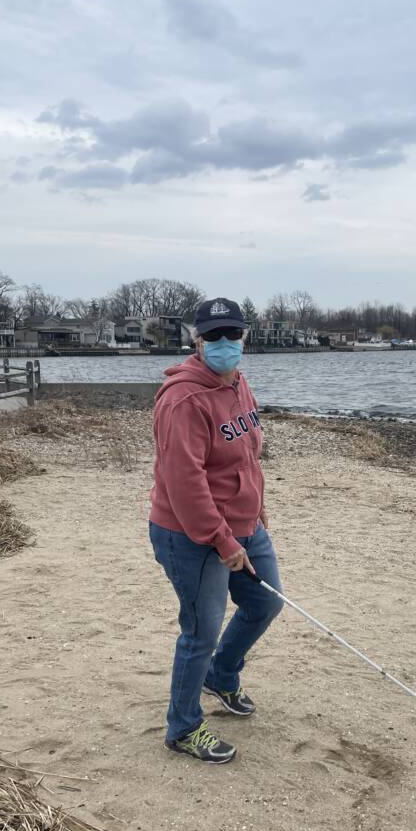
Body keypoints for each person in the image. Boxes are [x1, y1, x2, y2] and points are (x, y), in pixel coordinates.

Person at [148, 297, 284, 764]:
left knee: (265, 602)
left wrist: (257, 505)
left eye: (233, 335)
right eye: (214, 337)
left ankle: (221, 676)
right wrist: (221, 539)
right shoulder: (182, 399)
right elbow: (184, 482)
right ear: (197, 340)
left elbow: (247, 450)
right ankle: (182, 728)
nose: (225, 344)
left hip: (244, 524)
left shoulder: (239, 384)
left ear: (245, 338)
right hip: (192, 535)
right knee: (199, 632)